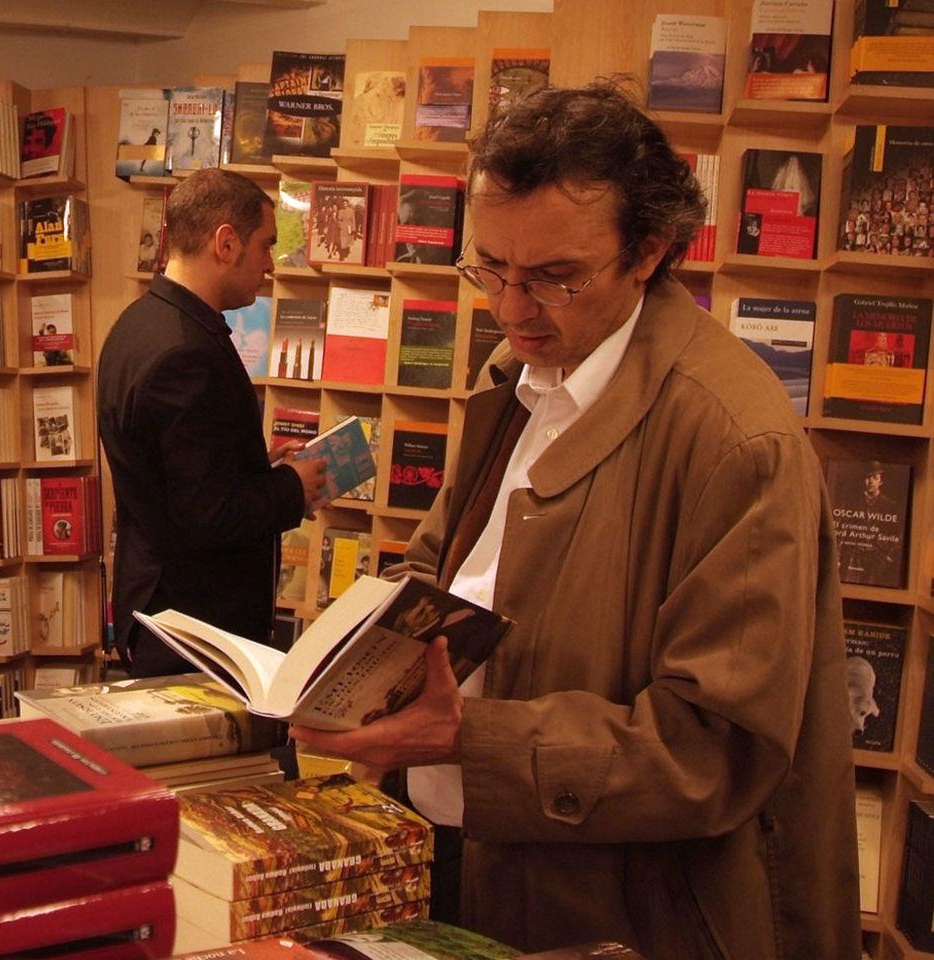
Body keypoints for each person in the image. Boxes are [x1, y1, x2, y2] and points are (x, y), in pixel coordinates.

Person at [289, 83, 857, 958]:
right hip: (470, 865)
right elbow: (439, 571)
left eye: (555, 277)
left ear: (649, 253)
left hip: (630, 916)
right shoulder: (511, 378)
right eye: (492, 269)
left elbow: (715, 747)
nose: (514, 310)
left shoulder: (737, 440)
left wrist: (466, 737)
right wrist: (356, 661)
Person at [97, 168, 324, 677]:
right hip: (192, 627)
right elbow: (205, 515)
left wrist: (249, 466)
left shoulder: (138, 323)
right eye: (265, 245)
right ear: (226, 243)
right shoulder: (184, 352)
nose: (269, 265)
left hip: (165, 611)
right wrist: (292, 488)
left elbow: (173, 474)